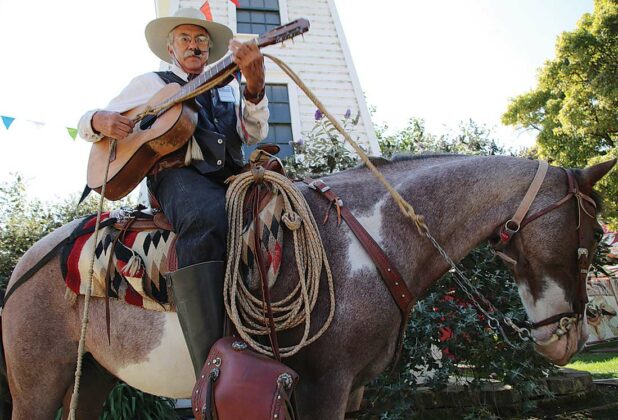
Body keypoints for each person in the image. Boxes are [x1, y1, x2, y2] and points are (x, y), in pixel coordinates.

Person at [78, 8, 269, 378]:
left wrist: (255, 87)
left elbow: (253, 134)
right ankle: (211, 356)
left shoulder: (229, 85)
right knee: (206, 218)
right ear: (170, 47)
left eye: (201, 40)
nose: (194, 45)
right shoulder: (151, 82)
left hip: (230, 174)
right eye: (185, 38)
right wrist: (98, 120)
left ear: (210, 50)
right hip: (176, 176)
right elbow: (91, 121)